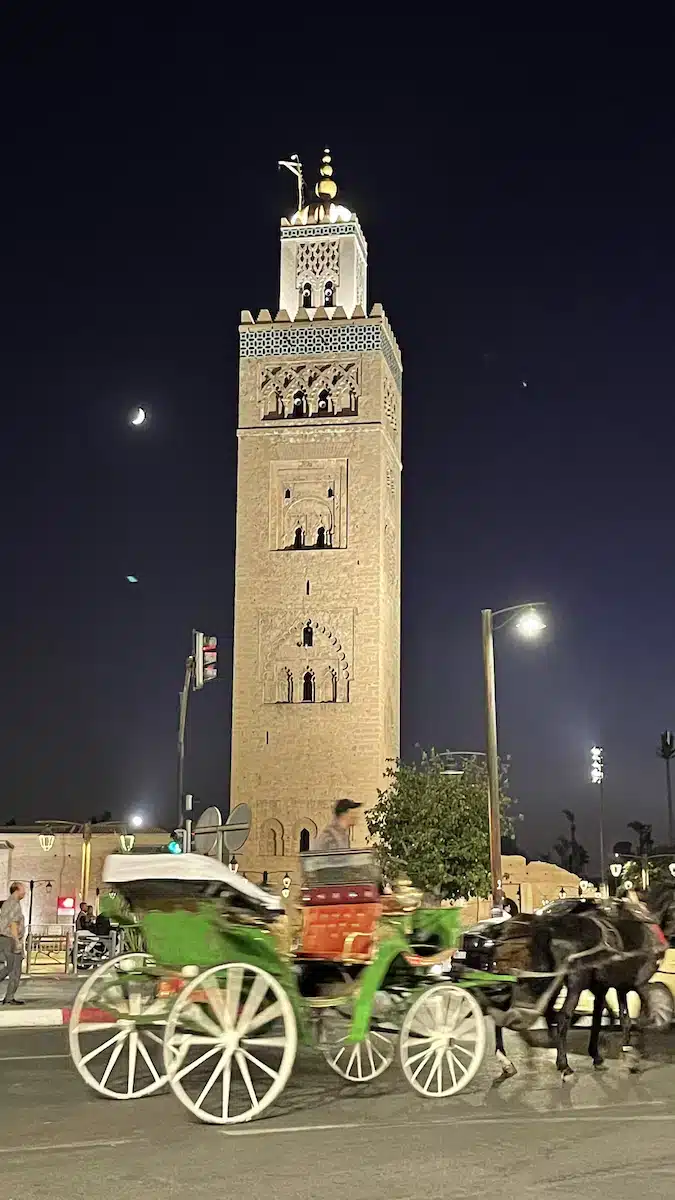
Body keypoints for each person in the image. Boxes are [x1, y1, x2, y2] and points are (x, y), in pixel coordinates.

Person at [0, 882, 26, 1005]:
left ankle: (9, 997)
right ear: (16, 890)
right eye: (23, 889)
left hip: (4, 939)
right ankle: (9, 997)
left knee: (9, 968)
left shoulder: (7, 903)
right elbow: (13, 924)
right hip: (11, 939)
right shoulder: (14, 904)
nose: (24, 892)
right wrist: (17, 941)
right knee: (15, 969)